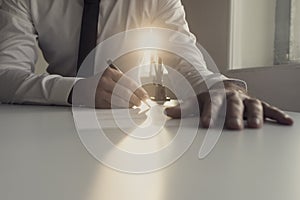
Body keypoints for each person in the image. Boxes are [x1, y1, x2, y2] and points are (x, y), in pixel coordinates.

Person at [0, 0, 293, 130]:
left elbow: (187, 61)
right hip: (45, 127)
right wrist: (74, 90)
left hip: (131, 126)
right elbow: (5, 75)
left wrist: (221, 89)